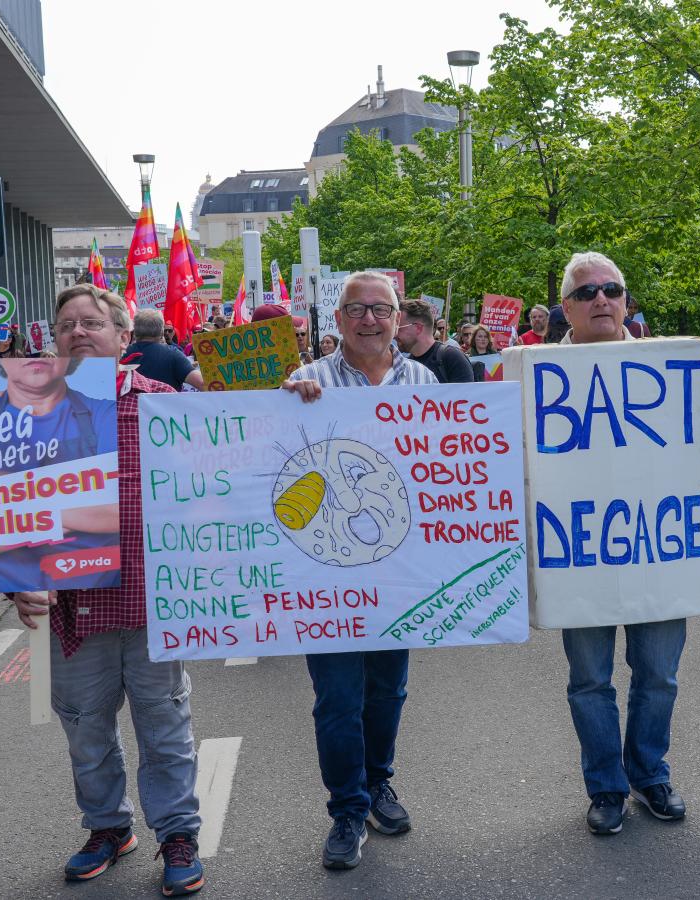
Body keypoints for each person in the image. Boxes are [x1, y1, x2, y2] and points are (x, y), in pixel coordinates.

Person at [9, 284, 205, 897]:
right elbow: (6, 506)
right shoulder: (24, 410)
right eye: (66, 324)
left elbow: (221, 489)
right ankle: (107, 828)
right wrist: (14, 582)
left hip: (152, 601)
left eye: (91, 322)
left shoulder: (164, 404)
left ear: (125, 340)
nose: (77, 332)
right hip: (75, 605)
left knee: (163, 725)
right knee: (85, 728)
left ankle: (177, 835)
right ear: (54, 341)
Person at [282, 270, 438, 871]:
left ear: (400, 319)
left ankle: (378, 783)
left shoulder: (421, 379)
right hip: (327, 575)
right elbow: (272, 455)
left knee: (387, 690)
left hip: (398, 569)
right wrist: (281, 402)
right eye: (357, 309)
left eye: (381, 309)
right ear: (337, 319)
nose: (370, 319)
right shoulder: (307, 380)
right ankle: (347, 808)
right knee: (338, 699)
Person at [552, 251, 689, 836]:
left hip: (655, 548)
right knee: (590, 681)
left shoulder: (665, 366)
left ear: (627, 300)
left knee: (658, 674)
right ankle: (606, 785)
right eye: (587, 293)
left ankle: (649, 771)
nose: (601, 300)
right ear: (567, 309)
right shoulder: (533, 375)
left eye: (612, 289)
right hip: (578, 553)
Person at [0, 355, 119, 592]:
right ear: (0, 362)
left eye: (50, 352)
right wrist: (75, 508)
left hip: (83, 579)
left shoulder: (105, 413)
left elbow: (113, 512)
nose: (36, 359)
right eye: (23, 352)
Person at [396, 297, 475, 383]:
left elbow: (465, 395)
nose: (394, 334)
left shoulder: (453, 358)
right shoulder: (406, 365)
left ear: (418, 328)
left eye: (399, 328)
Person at [126, 310, 205, 392]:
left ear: (134, 331)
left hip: (128, 404)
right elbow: (202, 383)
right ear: (161, 331)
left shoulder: (121, 354)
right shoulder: (174, 355)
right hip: (168, 404)